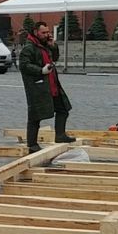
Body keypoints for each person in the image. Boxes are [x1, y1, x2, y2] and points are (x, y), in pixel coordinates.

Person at [19, 22, 73, 152]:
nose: (47, 35)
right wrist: (40, 70)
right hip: (38, 87)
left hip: (52, 84)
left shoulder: (45, 45)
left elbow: (55, 58)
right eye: (43, 33)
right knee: (35, 115)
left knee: (63, 108)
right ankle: (32, 144)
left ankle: (60, 135)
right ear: (35, 32)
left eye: (48, 32)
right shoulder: (29, 48)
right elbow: (24, 65)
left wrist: (53, 46)